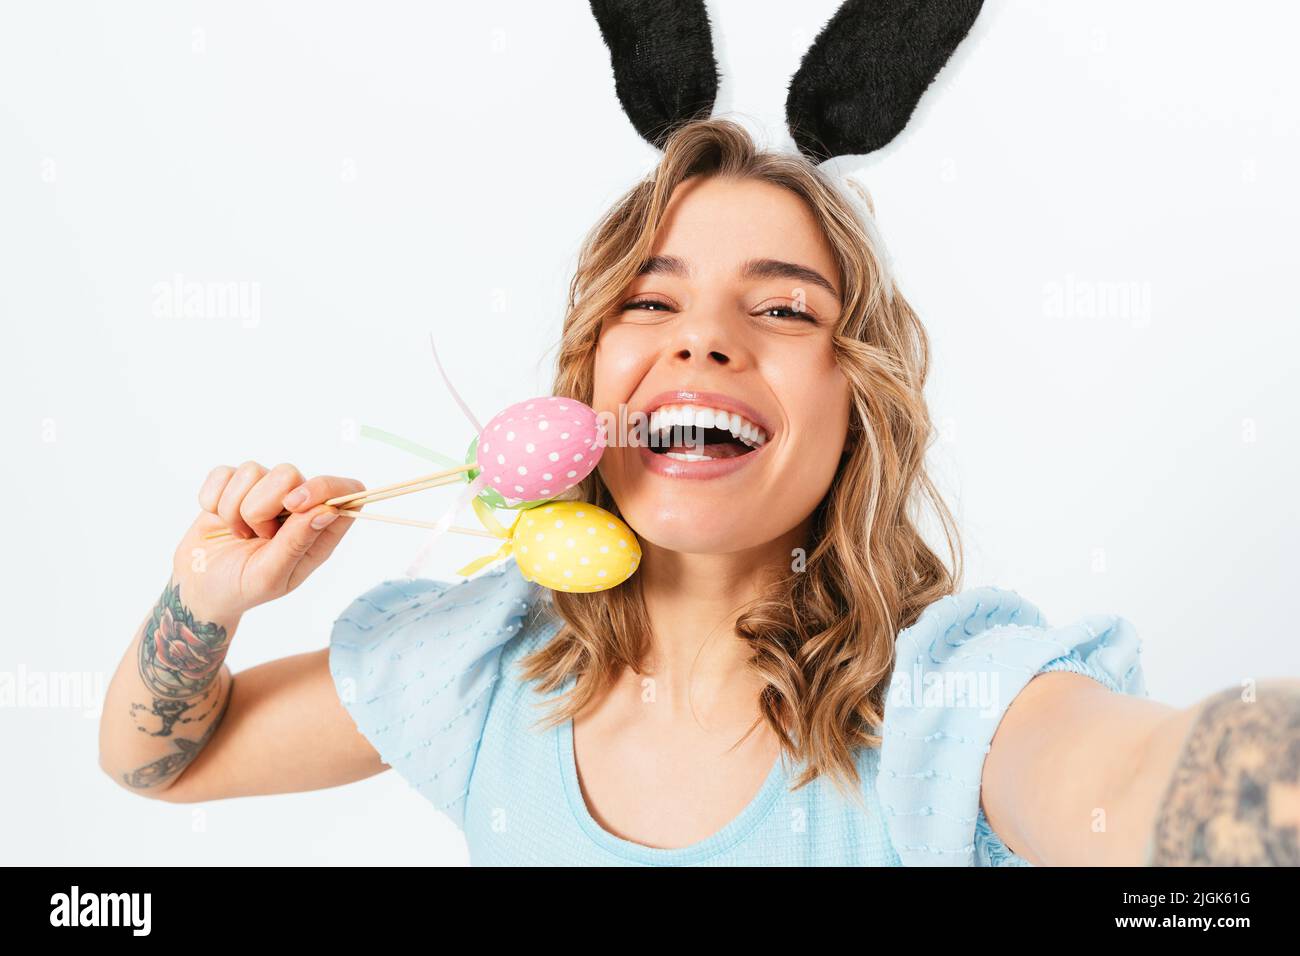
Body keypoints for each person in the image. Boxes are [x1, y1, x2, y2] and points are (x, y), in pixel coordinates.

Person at [99, 117, 1298, 865]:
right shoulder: (480, 670)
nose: (706, 339)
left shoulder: (950, 696)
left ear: (855, 402)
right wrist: (204, 600)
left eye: (782, 308)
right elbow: (159, 762)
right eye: (651, 300)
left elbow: (1137, 785)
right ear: (587, 383)